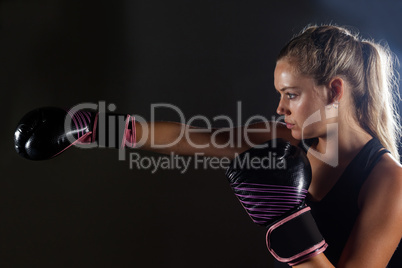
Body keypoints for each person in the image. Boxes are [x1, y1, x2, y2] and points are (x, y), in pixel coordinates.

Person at [14, 25, 402, 267]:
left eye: (291, 94)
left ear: (334, 90)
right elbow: (197, 140)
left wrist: (287, 222)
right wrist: (96, 127)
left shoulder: (389, 182)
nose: (280, 107)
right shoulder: (290, 139)